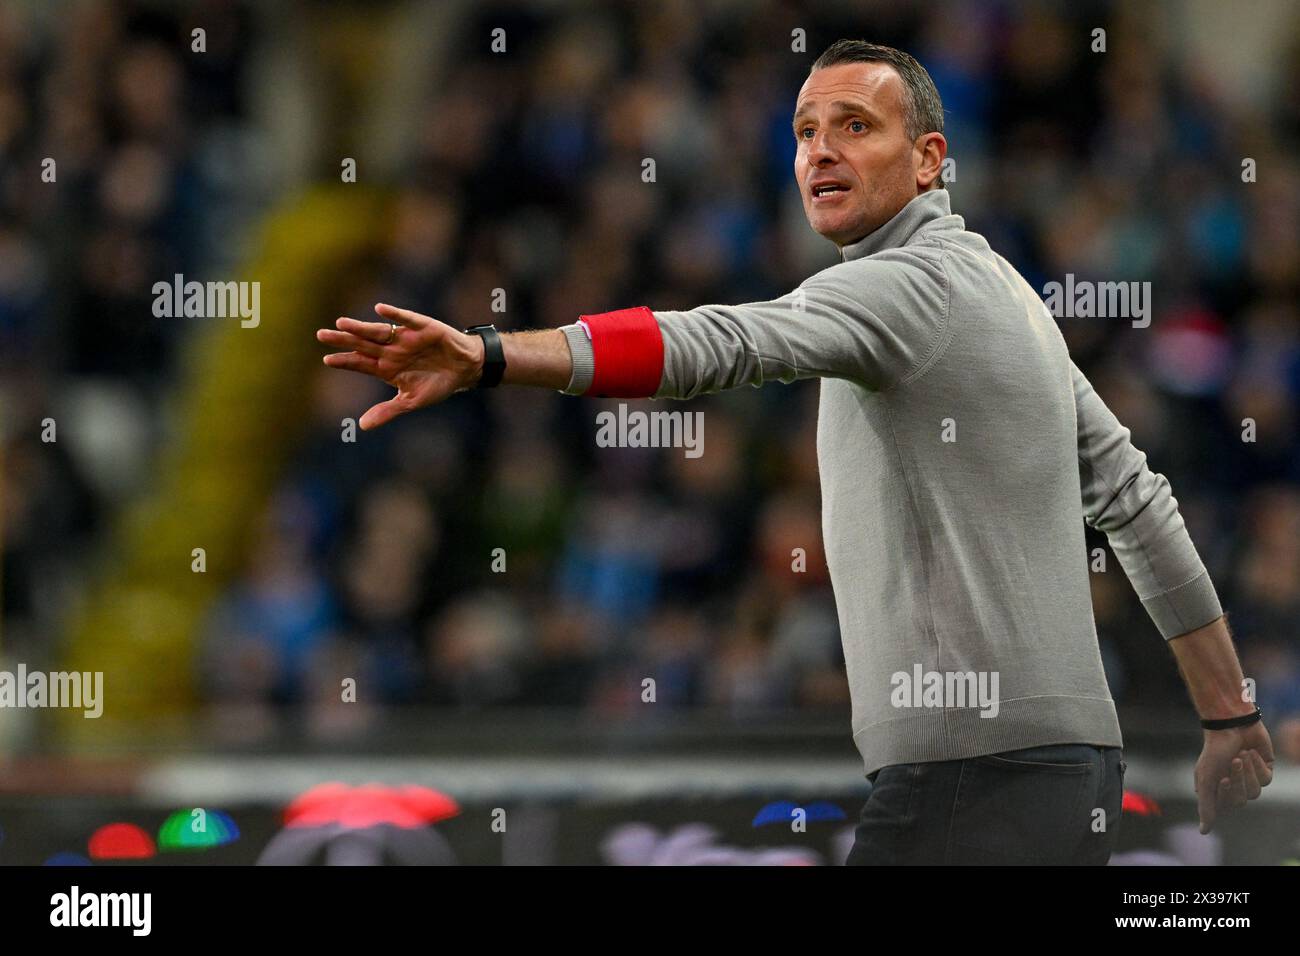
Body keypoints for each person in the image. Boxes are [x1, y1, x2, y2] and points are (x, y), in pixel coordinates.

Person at [316, 40, 1273, 864]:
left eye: (857, 126)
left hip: (968, 780)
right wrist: (1227, 713)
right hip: (1073, 777)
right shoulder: (1014, 301)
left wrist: (489, 356)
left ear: (930, 159)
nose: (821, 150)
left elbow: (716, 342)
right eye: (807, 131)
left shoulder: (908, 287)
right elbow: (1139, 504)